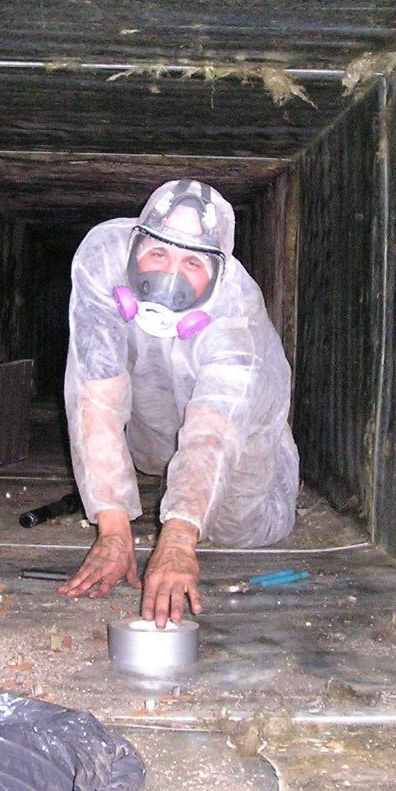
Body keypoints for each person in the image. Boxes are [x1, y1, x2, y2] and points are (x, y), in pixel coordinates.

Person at [58, 179, 299, 627]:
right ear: (135, 245)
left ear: (218, 272)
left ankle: (276, 457)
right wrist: (113, 530)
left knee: (237, 531)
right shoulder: (103, 257)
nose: (169, 276)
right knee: (152, 459)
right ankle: (170, 472)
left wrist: (179, 538)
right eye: (158, 253)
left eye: (192, 262)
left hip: (238, 408)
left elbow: (214, 429)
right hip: (157, 394)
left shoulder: (235, 311)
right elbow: (95, 391)